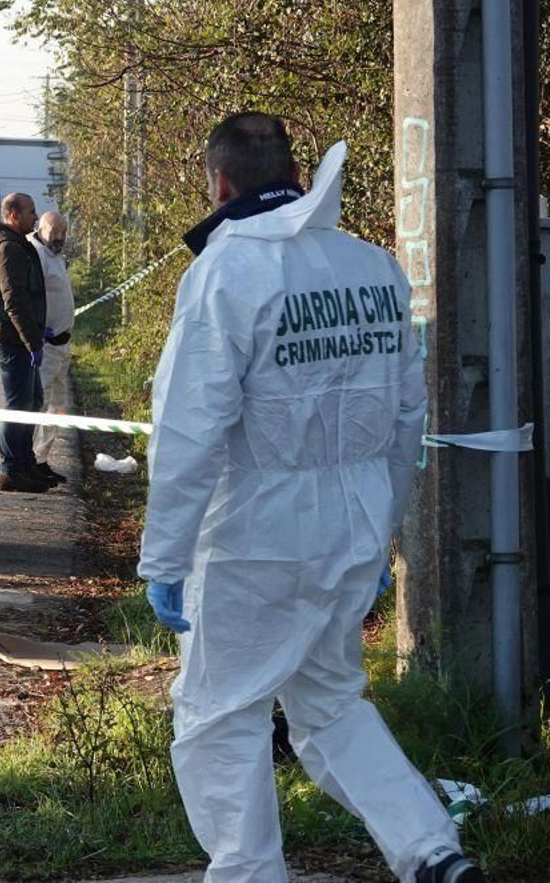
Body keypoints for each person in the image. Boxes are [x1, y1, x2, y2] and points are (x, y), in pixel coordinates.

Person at [138, 112, 482, 883]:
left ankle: (250, 872)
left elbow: (190, 429)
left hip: (251, 539)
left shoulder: (226, 274)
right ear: (293, 175)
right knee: (330, 705)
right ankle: (433, 851)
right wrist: (382, 529)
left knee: (221, 715)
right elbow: (406, 417)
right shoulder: (373, 267)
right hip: (348, 529)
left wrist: (164, 557)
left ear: (219, 184)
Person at [0, 192, 58, 493]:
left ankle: (25, 463)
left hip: (19, 335)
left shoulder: (16, 243)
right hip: (10, 337)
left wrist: (37, 333)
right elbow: (14, 300)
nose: (35, 217)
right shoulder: (7, 248)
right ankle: (10, 470)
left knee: (32, 400)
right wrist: (32, 341)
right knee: (18, 403)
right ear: (13, 215)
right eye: (30, 212)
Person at [28, 212, 74, 484]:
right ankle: (26, 462)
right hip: (44, 347)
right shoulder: (36, 254)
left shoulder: (57, 255)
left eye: (64, 232)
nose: (59, 237)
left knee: (57, 407)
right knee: (38, 405)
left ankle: (41, 459)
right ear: (41, 228)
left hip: (62, 346)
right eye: (54, 231)